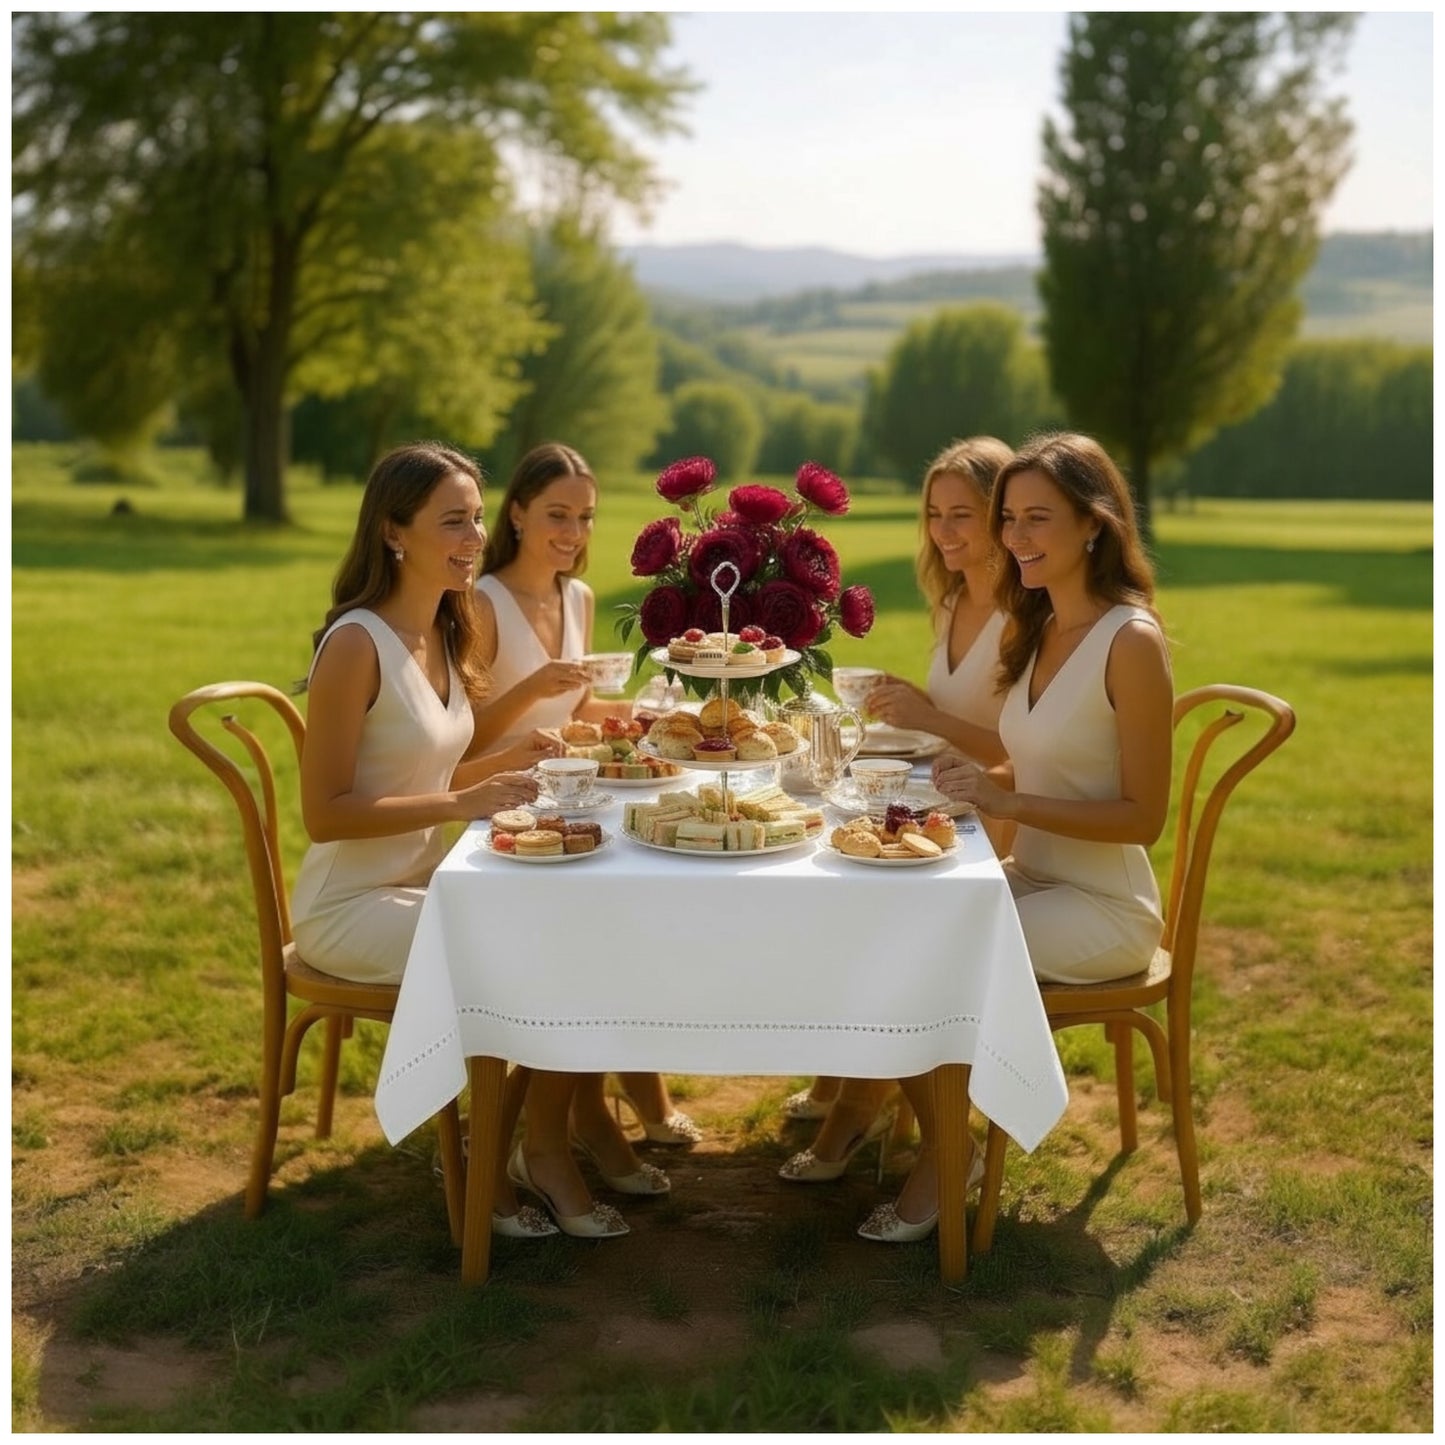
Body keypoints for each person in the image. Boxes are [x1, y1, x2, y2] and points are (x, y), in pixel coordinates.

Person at [291, 441, 629, 1241]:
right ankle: (513, 1154)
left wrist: (512, 758)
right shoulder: (354, 644)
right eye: (454, 521)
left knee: (592, 928)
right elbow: (325, 813)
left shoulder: (440, 632)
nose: (475, 537)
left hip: (428, 884)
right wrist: (464, 798)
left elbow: (443, 760)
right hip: (350, 906)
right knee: (537, 956)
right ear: (392, 531)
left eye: (477, 518)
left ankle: (525, 1144)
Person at [856, 431, 1174, 1243]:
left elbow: (1143, 815)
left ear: (1094, 525)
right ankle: (917, 1130)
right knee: (888, 929)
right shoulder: (1036, 629)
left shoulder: (1129, 642)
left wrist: (1012, 800)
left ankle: (947, 1152)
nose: (1015, 539)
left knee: (935, 957)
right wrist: (980, 788)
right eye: (1010, 520)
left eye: (1038, 519)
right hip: (1027, 878)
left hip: (1103, 906)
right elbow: (1020, 762)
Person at [778, 436, 1014, 1180]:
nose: (945, 532)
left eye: (963, 516)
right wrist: (905, 699)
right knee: (826, 871)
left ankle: (860, 1100)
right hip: (943, 797)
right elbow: (954, 709)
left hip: (1005, 815)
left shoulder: (1024, 612)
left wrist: (930, 718)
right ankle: (849, 1075)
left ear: (1002, 518)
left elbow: (1017, 743)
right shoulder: (951, 597)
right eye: (935, 515)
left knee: (878, 919)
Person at [473, 441, 701, 1185]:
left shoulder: (576, 597)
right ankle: (587, 1118)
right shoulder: (482, 603)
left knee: (635, 906)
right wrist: (532, 682)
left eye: (584, 516)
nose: (572, 532)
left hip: (575, 800)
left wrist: (640, 711)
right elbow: (465, 737)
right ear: (515, 514)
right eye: (555, 515)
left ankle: (611, 1098)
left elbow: (577, 708)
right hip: (499, 809)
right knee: (602, 926)